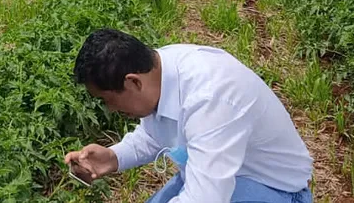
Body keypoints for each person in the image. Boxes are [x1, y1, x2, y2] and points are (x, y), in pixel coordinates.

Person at [64, 29, 314, 203]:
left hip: (273, 189)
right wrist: (113, 157)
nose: (111, 109)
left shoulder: (210, 97)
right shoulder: (156, 70)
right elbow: (154, 134)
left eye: (108, 100)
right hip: (218, 176)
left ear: (133, 83)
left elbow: (206, 198)